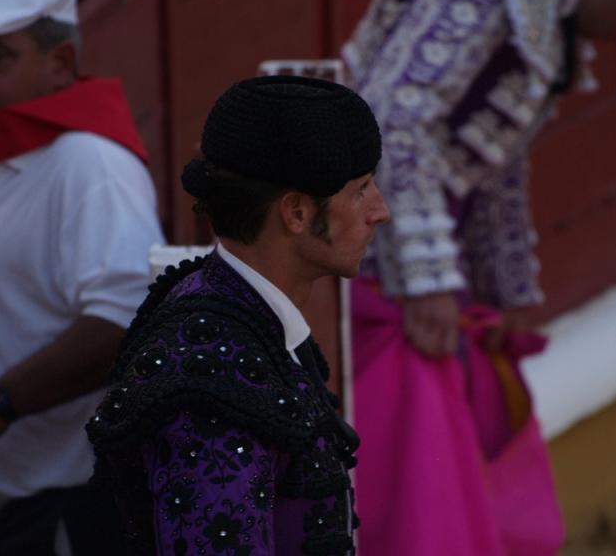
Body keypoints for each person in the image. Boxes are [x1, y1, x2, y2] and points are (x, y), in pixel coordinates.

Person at [342, 0, 616, 555]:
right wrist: (427, 281)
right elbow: (392, 120)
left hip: (399, 263)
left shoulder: (539, 2)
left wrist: (506, 291)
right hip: (366, 266)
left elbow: (490, 168)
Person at [87, 75, 390, 556]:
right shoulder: (212, 377)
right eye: (361, 189)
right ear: (295, 212)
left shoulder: (233, 308)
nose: (380, 211)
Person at [0, 0, 164, 553]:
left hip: (73, 512)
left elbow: (127, 319)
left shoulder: (87, 164)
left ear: (61, 63)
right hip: (19, 514)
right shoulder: (8, 167)